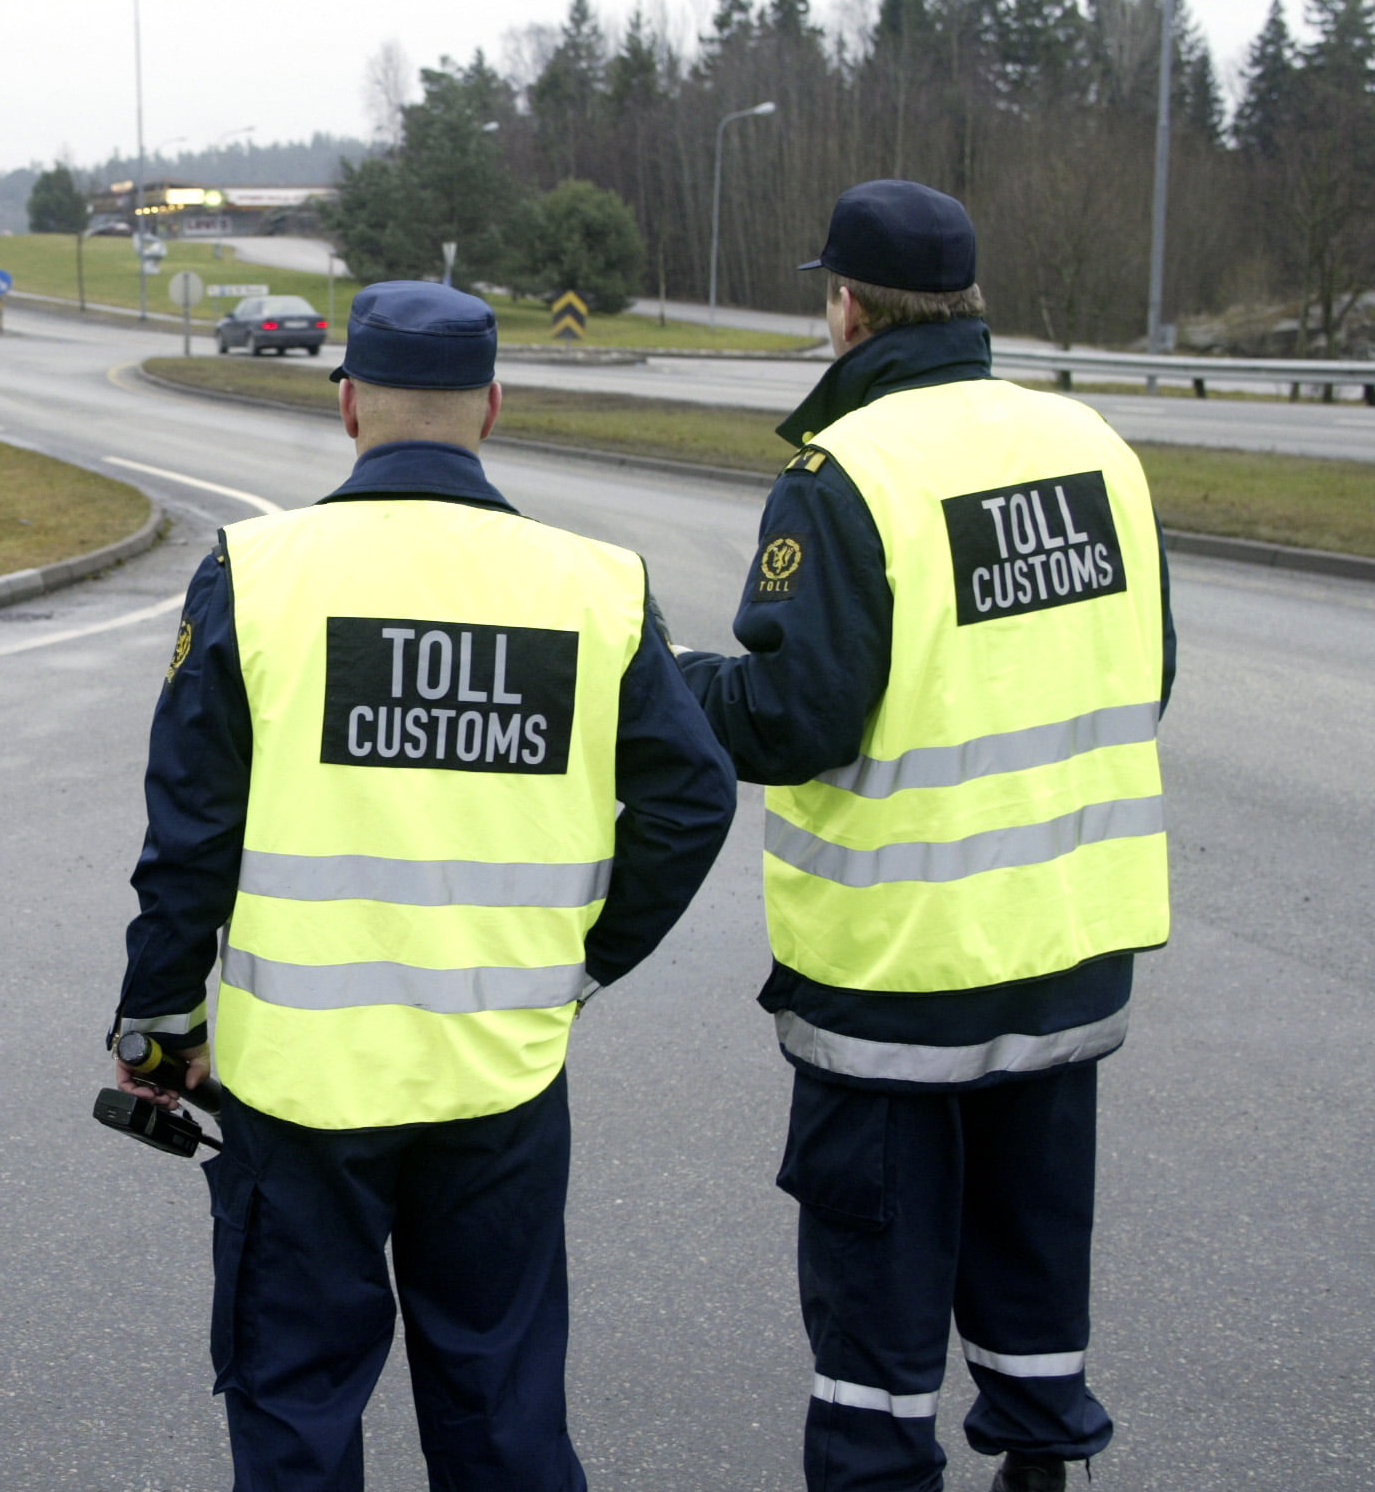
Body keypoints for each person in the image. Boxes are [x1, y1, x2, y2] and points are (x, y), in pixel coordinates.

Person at [113, 280, 738, 1491]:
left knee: (295, 1402)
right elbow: (691, 800)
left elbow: (190, 830)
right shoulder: (594, 584)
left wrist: (157, 1019)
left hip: (299, 1081)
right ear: (491, 407)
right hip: (499, 1070)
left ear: (348, 404)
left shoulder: (257, 571)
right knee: (498, 1407)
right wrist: (587, 963)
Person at [675, 180, 1175, 1492]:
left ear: (846, 306)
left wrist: (670, 685)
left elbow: (792, 717)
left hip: (899, 977)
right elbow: (1147, 671)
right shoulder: (1093, 448)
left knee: (877, 1321)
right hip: (1065, 955)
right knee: (1033, 1267)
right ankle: (1044, 1466)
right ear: (968, 301)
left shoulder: (848, 473)